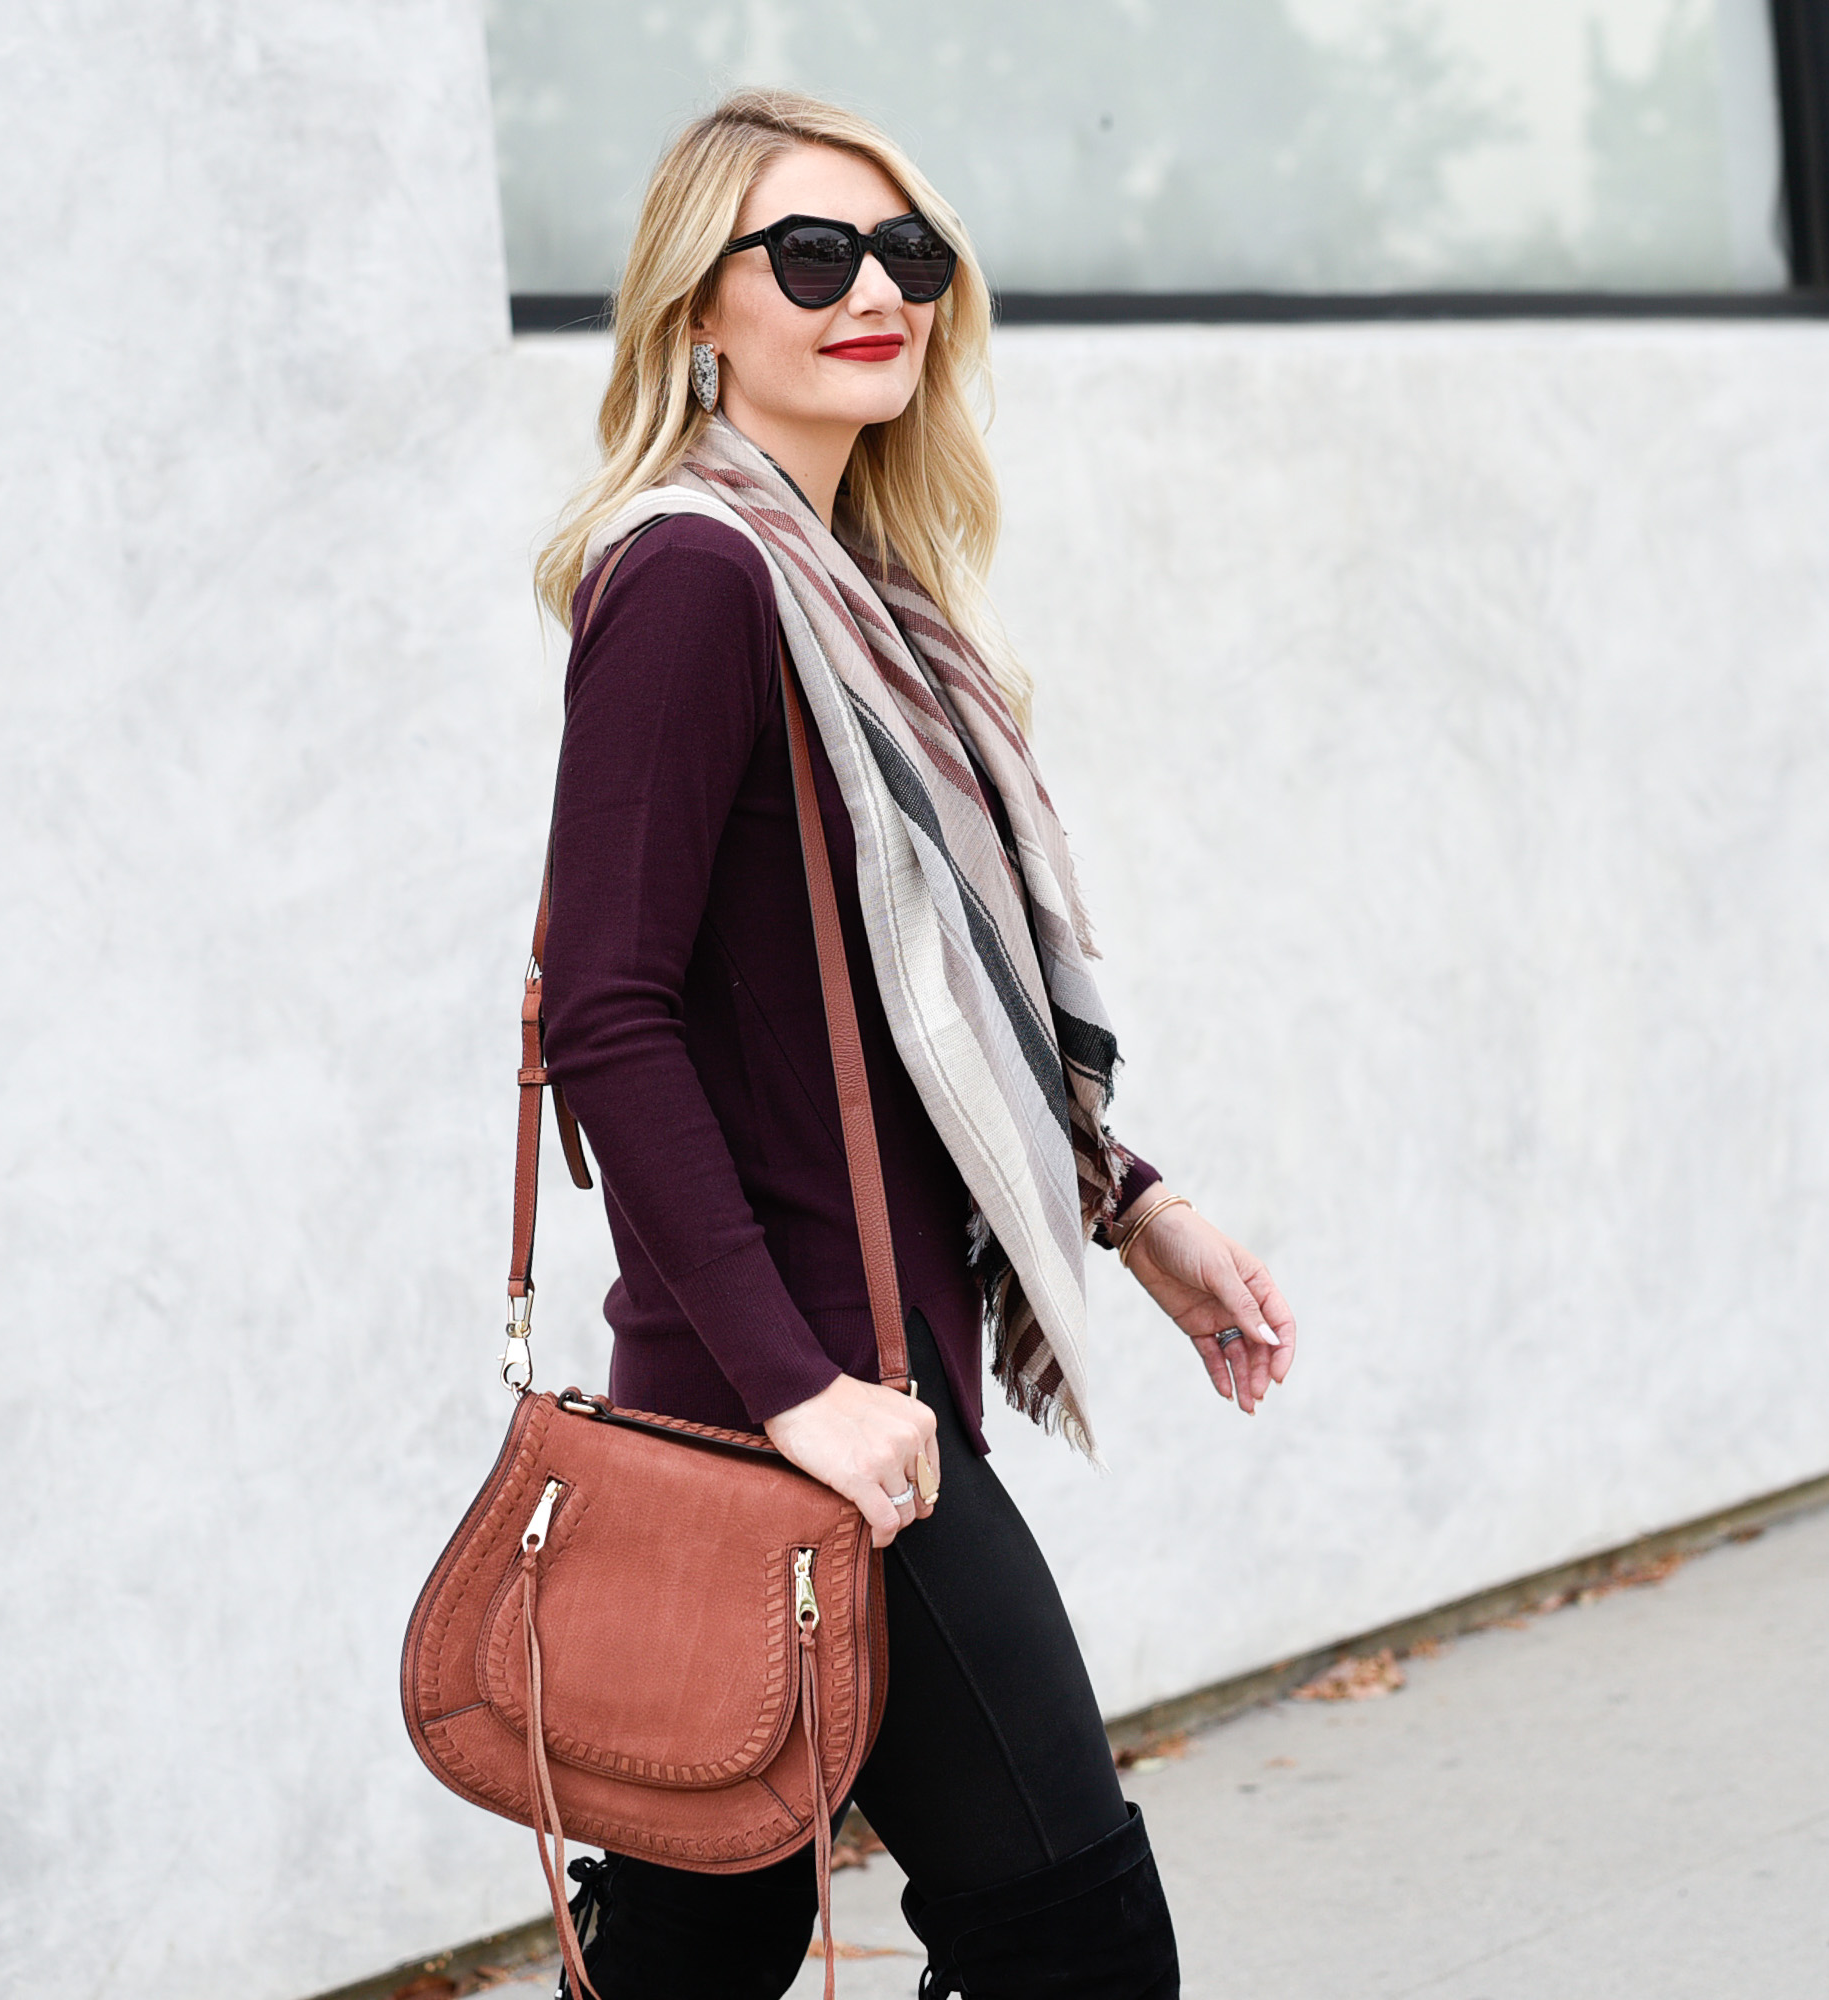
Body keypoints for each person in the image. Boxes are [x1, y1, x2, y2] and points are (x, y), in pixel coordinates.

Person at [531, 87, 1297, 2000]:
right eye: (810, 255)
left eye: (909, 256)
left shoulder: (861, 598)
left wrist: (1127, 1203)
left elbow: (910, 1019)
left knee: (701, 1942)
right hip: (798, 1413)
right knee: (1078, 1941)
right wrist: (799, 1389)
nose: (874, 291)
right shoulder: (698, 581)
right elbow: (606, 1015)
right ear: (697, 308)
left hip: (852, 1384)